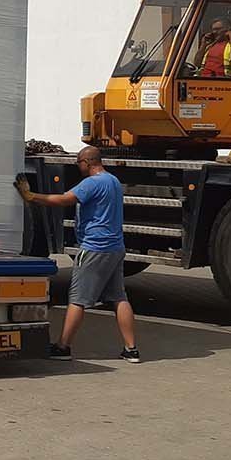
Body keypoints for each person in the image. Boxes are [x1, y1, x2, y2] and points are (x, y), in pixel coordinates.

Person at [15, 147, 139, 363]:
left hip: (94, 248)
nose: (77, 167)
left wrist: (31, 195)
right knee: (119, 298)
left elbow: (64, 199)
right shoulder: (113, 181)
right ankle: (131, 349)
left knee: (77, 299)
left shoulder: (92, 183)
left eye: (78, 163)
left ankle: (63, 347)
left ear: (87, 162)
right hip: (115, 248)